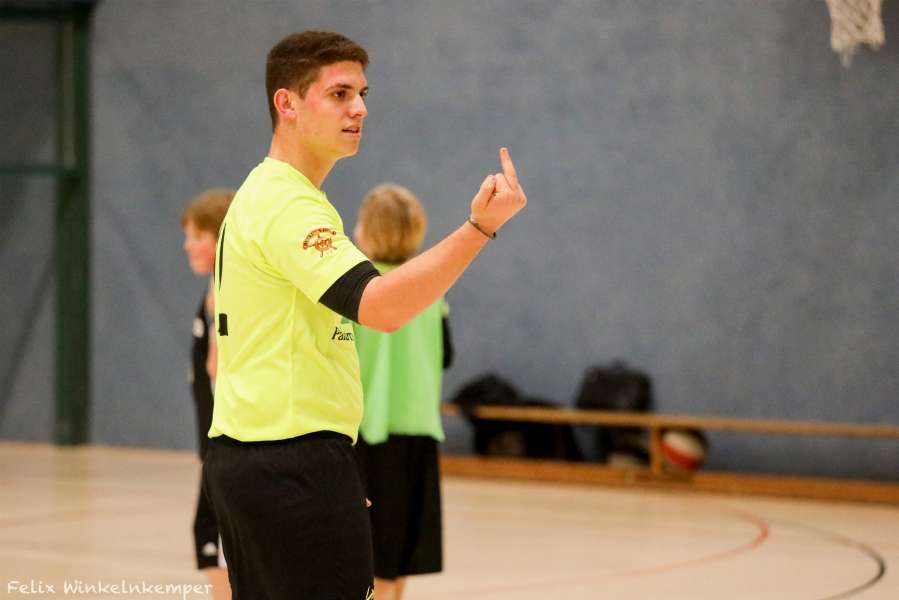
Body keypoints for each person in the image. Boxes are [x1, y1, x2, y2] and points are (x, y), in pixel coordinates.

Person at [202, 30, 526, 600]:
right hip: (286, 462)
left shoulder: (275, 195)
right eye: (340, 94)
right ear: (287, 103)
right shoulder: (286, 204)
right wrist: (480, 228)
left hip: (277, 458)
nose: (360, 109)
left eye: (362, 94)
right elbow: (381, 306)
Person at [352, 184, 453, 600]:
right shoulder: (429, 287)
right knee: (400, 547)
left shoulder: (359, 286)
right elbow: (446, 355)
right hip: (417, 428)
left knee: (371, 548)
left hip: (367, 432)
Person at [180, 189, 234, 600]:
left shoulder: (222, 290)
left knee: (214, 540)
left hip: (225, 444)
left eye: (198, 236)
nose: (188, 245)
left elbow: (220, 367)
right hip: (219, 445)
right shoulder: (216, 289)